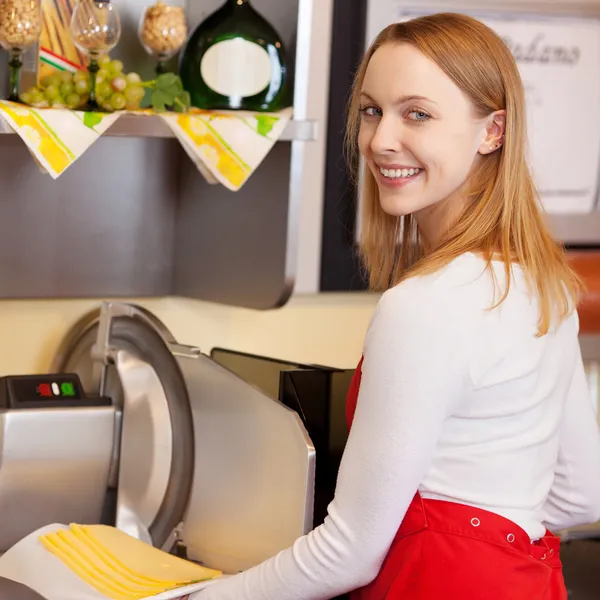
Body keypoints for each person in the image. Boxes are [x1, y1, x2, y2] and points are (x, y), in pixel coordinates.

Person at [194, 12, 600, 600]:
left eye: (417, 114)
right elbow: (583, 492)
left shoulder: (426, 306)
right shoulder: (547, 286)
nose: (381, 139)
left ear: (493, 131)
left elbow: (349, 552)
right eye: (371, 110)